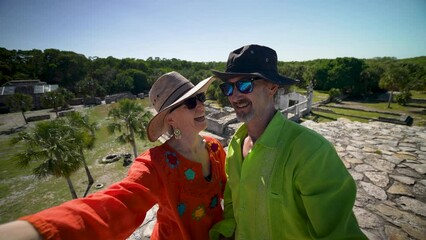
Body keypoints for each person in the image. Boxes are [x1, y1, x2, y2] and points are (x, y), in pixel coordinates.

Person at [0, 71, 227, 240]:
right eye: (190, 102)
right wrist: (39, 232)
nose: (200, 106)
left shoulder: (214, 148)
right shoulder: (156, 165)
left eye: (200, 98)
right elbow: (118, 205)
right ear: (170, 119)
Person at [209, 44, 367, 239]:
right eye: (228, 87)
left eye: (245, 84)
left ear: (272, 87)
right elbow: (234, 204)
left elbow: (339, 234)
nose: (234, 95)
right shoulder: (235, 145)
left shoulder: (311, 152)